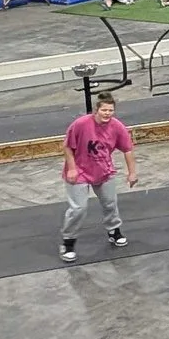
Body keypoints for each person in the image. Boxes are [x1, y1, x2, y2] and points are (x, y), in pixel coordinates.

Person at [59, 89, 136, 263]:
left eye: (110, 110)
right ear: (96, 110)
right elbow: (67, 146)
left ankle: (114, 230)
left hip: (103, 170)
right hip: (79, 171)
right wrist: (71, 168)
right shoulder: (80, 124)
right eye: (104, 110)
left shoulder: (117, 127)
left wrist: (132, 173)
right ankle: (68, 241)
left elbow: (128, 149)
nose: (107, 113)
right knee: (78, 208)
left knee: (110, 203)